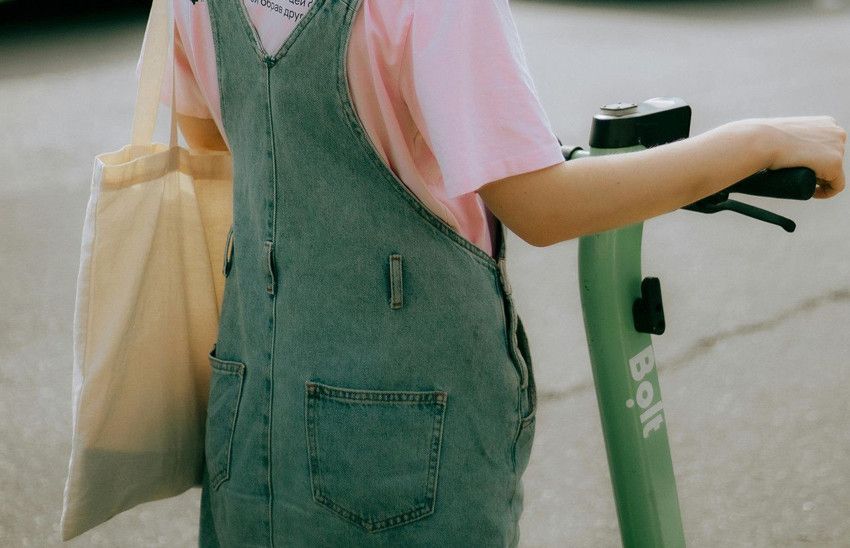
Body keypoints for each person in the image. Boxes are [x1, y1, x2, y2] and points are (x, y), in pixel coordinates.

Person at [138, 1, 846, 546]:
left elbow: (219, 141)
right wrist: (755, 142)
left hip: (252, 416)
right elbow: (541, 206)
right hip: (404, 433)